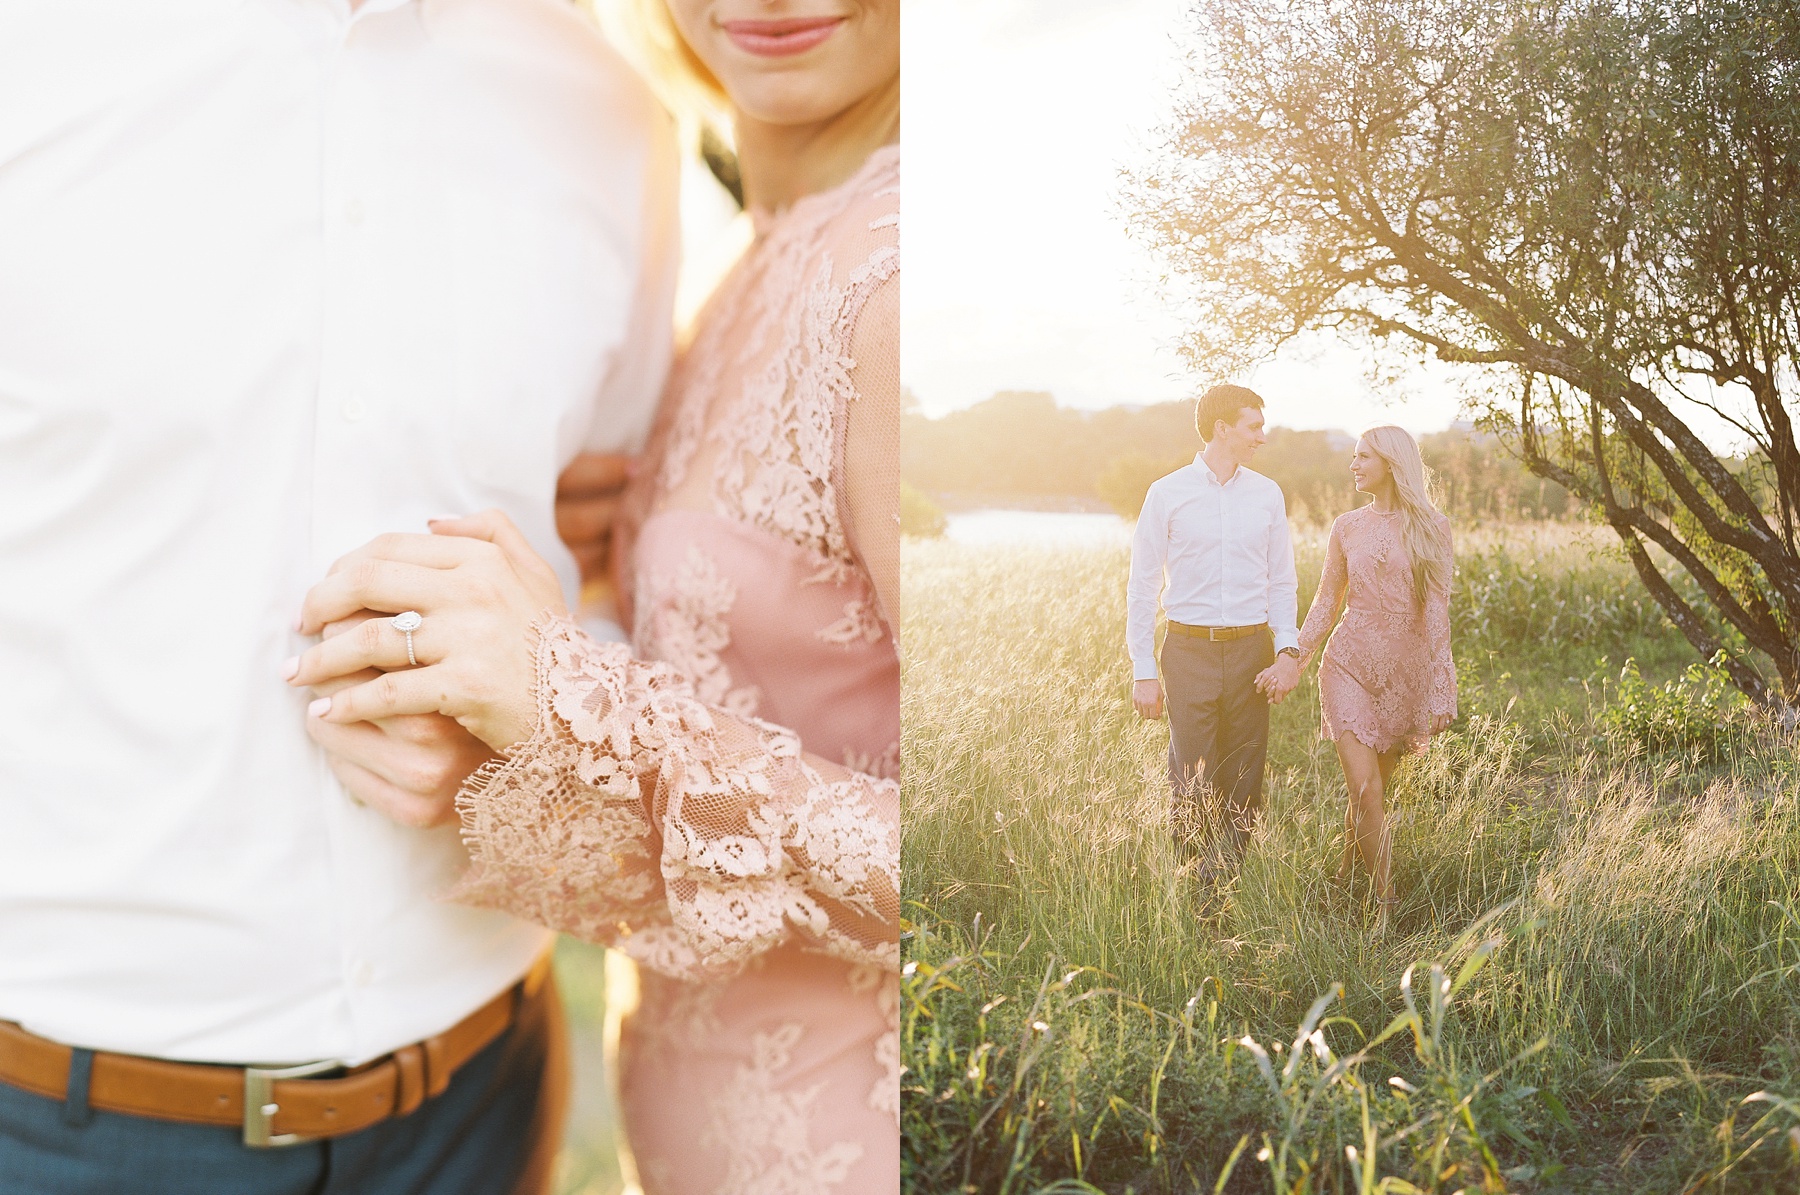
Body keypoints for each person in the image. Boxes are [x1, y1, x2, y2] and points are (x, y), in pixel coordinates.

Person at [0, 2, 676, 1191]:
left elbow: (620, 551)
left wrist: (524, 737)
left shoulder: (607, 114)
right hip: (65, 1118)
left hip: (482, 1102)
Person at [286, 0, 902, 1189]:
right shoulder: (751, 242)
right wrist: (610, 542)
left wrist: (567, 718)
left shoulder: (893, 285)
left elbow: (985, 876)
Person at [1269, 425, 1457, 926]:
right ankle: (1384, 908)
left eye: (1362, 458)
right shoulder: (1347, 526)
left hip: (1405, 678)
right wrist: (1294, 658)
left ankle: (1343, 877)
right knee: (1367, 791)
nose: (1353, 466)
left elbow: (1437, 612)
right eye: (1352, 456)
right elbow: (1326, 601)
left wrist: (1442, 685)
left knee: (1369, 792)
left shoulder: (1432, 527)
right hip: (1347, 666)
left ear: (1392, 465)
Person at [1127, 384, 1302, 877]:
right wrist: (1143, 670)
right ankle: (1194, 892)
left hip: (1252, 651)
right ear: (1222, 429)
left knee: (1244, 777)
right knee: (1192, 777)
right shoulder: (1166, 493)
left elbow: (1282, 581)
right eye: (1254, 427)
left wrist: (1287, 651)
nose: (1261, 437)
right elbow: (1141, 587)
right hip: (1187, 651)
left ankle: (1228, 887)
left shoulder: (1267, 494)